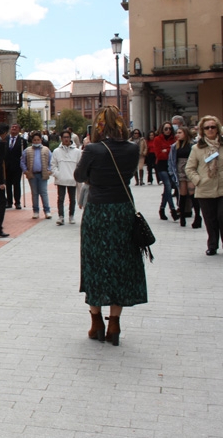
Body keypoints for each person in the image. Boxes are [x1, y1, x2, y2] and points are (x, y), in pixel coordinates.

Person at [74, 106, 144, 346]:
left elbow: (79, 175)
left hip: (98, 210)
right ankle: (114, 322)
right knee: (121, 263)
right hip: (123, 209)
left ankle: (96, 322)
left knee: (95, 263)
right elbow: (128, 175)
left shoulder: (93, 149)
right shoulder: (133, 149)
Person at [185, 116, 223, 255]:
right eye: (207, 127)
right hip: (205, 189)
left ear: (217, 128)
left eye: (213, 127)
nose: (210, 130)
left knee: (222, 216)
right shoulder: (197, 148)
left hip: (222, 187)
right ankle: (212, 245)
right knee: (210, 219)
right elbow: (189, 168)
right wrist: (198, 180)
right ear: (203, 130)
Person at [168, 126, 202, 228]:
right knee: (182, 194)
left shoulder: (193, 145)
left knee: (192, 194)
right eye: (177, 133)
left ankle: (197, 217)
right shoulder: (175, 146)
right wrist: (172, 173)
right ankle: (182, 217)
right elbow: (171, 161)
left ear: (185, 134)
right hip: (180, 170)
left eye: (180, 133)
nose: (177, 135)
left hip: (191, 170)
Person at [51, 130, 81, 225]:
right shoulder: (56, 151)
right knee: (60, 198)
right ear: (61, 138)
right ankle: (61, 217)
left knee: (72, 199)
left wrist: (76, 176)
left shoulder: (77, 152)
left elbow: (80, 165)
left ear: (70, 138)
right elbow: (53, 165)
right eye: (64, 137)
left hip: (72, 179)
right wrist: (57, 174)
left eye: (68, 137)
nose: (66, 139)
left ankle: (71, 216)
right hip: (61, 179)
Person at [20, 131, 52, 219]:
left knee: (44, 193)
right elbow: (22, 162)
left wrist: (49, 170)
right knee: (34, 194)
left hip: (43, 174)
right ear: (32, 141)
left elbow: (51, 161)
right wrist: (25, 171)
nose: (36, 141)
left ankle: (47, 211)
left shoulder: (46, 150)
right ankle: (36, 211)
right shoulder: (27, 150)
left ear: (41, 140)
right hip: (32, 175)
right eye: (35, 140)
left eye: (38, 140)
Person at [154, 122, 178, 220]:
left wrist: (166, 150)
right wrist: (170, 150)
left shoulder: (175, 139)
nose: (168, 130)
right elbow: (159, 154)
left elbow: (175, 152)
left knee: (167, 189)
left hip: (171, 165)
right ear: (162, 129)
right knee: (167, 186)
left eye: (169, 129)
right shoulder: (157, 139)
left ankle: (162, 208)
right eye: (166, 129)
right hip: (161, 165)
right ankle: (173, 210)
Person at [4, 123, 25, 210]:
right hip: (7, 165)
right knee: (8, 184)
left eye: (15, 128)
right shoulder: (5, 139)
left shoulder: (22, 141)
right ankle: (9, 202)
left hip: (17, 166)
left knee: (16, 184)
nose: (13, 129)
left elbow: (24, 154)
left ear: (19, 130)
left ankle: (18, 202)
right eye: (12, 127)